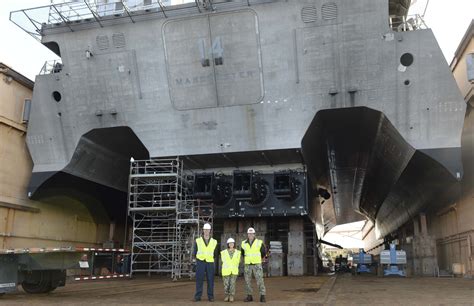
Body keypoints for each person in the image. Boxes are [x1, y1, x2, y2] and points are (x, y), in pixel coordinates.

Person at [193, 223, 218, 302]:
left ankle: (210, 296)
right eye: (205, 230)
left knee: (210, 280)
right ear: (203, 230)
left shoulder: (214, 241)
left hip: (210, 262)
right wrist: (195, 262)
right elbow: (195, 252)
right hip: (200, 262)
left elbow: (215, 254)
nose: (206, 231)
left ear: (210, 231)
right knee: (199, 279)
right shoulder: (198, 241)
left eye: (208, 230)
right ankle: (198, 296)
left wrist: (209, 258)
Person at [241, 227, 266, 303]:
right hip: (248, 264)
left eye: (252, 234)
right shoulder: (243, 243)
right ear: (247, 234)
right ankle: (249, 296)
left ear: (254, 234)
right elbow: (243, 253)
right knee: (247, 281)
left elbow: (263, 252)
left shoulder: (259, 242)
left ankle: (262, 296)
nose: (250, 235)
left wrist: (258, 259)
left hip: (257, 264)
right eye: (249, 234)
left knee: (260, 280)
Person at [220, 237, 241, 302]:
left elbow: (239, 261)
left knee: (232, 284)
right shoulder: (223, 252)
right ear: (228, 244)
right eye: (230, 243)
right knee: (226, 285)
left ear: (234, 244)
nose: (231, 244)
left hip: (234, 271)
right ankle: (227, 295)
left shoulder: (238, 252)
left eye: (232, 243)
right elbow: (223, 261)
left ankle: (231, 296)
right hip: (226, 271)